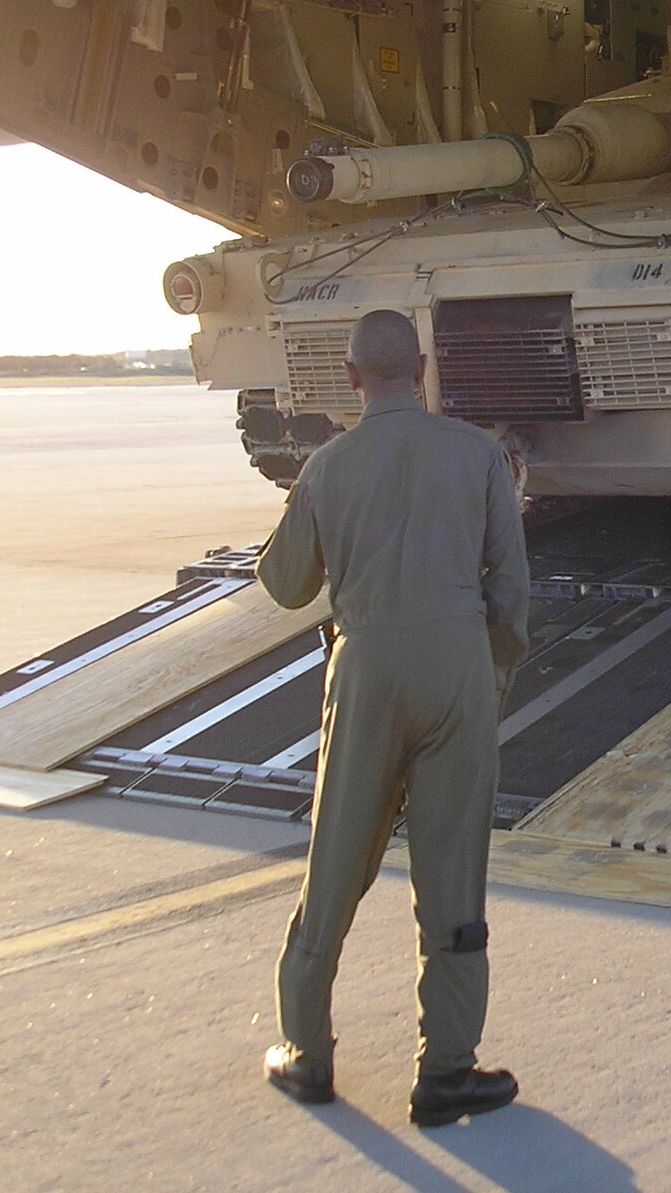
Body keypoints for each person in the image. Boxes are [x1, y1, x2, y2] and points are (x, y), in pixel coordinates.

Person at [253, 308, 530, 1126]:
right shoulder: (478, 454)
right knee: (453, 875)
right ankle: (446, 1070)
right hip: (457, 671)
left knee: (335, 863)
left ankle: (306, 1053)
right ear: (422, 369)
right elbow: (511, 593)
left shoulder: (328, 464)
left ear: (350, 379)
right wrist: (489, 682)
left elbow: (285, 582)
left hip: (366, 667)